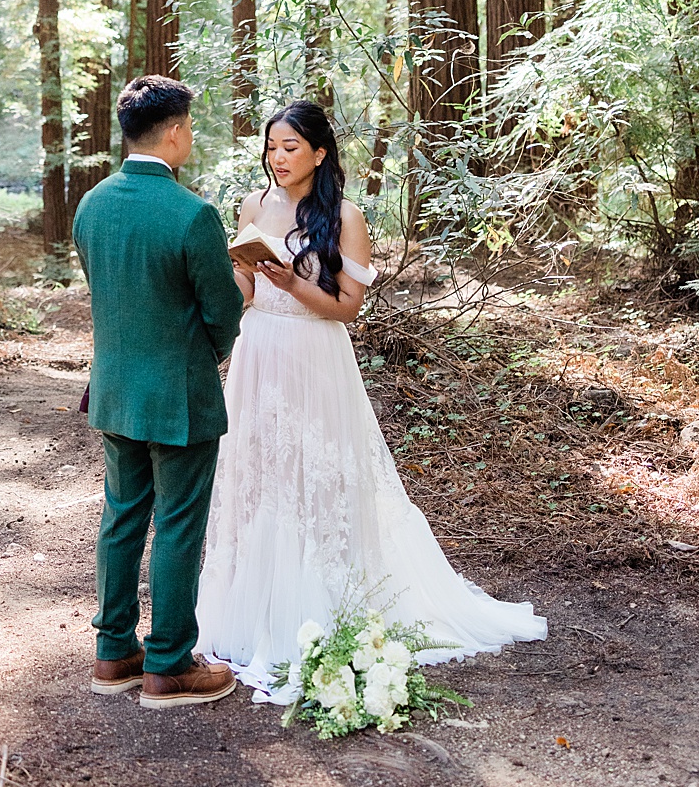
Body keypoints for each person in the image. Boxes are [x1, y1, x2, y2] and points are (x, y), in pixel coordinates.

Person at [197, 100, 545, 695]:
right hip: (259, 353)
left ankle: (322, 603)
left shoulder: (347, 216)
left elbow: (348, 310)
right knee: (259, 476)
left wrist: (296, 283)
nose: (278, 158)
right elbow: (247, 292)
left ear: (320, 153)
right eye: (272, 147)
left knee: (321, 476)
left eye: (291, 148)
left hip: (315, 354)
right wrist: (237, 269)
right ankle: (249, 609)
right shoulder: (253, 205)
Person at [71, 75, 248, 709]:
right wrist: (226, 324)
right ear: (173, 133)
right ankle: (169, 664)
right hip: (178, 395)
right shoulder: (192, 213)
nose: (190, 139)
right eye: (190, 129)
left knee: (122, 517)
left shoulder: (91, 204)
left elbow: (111, 292)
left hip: (115, 390)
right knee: (177, 524)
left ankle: (114, 652)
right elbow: (222, 311)